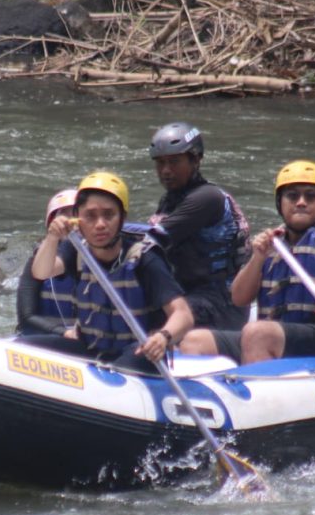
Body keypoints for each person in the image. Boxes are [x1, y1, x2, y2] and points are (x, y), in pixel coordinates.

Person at [180, 160, 315, 364]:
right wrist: (258, 257)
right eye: (292, 196)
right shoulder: (272, 244)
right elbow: (239, 298)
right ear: (280, 203)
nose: (301, 202)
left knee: (258, 333)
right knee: (195, 340)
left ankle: (257, 390)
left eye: (311, 196)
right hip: (276, 337)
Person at [26, 171, 194, 373]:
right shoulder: (76, 249)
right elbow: (41, 272)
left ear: (122, 217)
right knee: (23, 347)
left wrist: (162, 337)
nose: (100, 224)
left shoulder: (144, 258)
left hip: (137, 352)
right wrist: (53, 237)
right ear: (78, 219)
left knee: (126, 363)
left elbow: (183, 314)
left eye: (109, 215)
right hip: (89, 348)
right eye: (90, 216)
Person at [146, 122, 250, 330]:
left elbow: (151, 239)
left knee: (146, 317)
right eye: (160, 163)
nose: (166, 171)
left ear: (196, 160)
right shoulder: (169, 201)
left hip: (221, 302)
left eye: (174, 162)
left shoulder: (207, 198)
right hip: (187, 293)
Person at [16, 189, 78, 337]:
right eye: (64, 215)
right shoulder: (37, 261)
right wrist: (65, 333)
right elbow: (26, 317)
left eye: (75, 214)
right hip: (48, 338)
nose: (69, 222)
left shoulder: (97, 259)